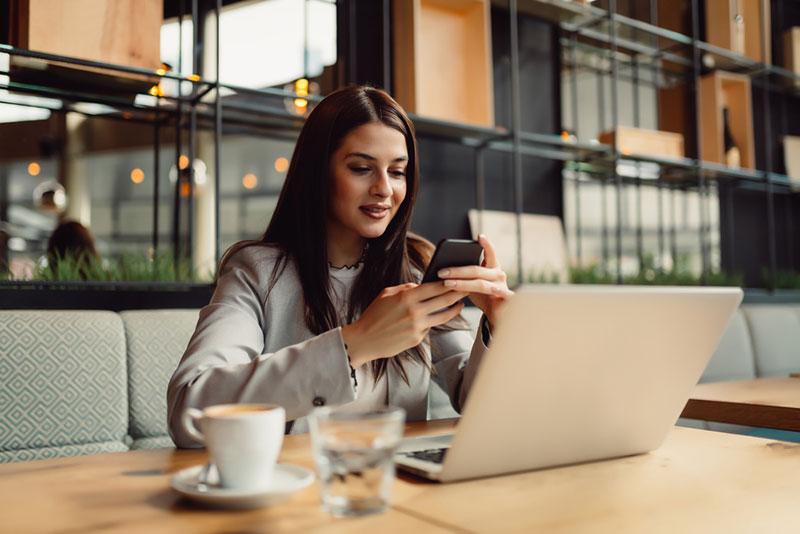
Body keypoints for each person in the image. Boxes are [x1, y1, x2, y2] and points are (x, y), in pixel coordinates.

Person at [167, 86, 512, 447]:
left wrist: (498, 327)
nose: (384, 189)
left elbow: (477, 404)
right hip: (298, 483)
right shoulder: (257, 271)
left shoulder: (414, 266)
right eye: (362, 168)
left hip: (398, 483)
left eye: (397, 172)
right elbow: (190, 408)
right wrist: (354, 345)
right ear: (318, 172)